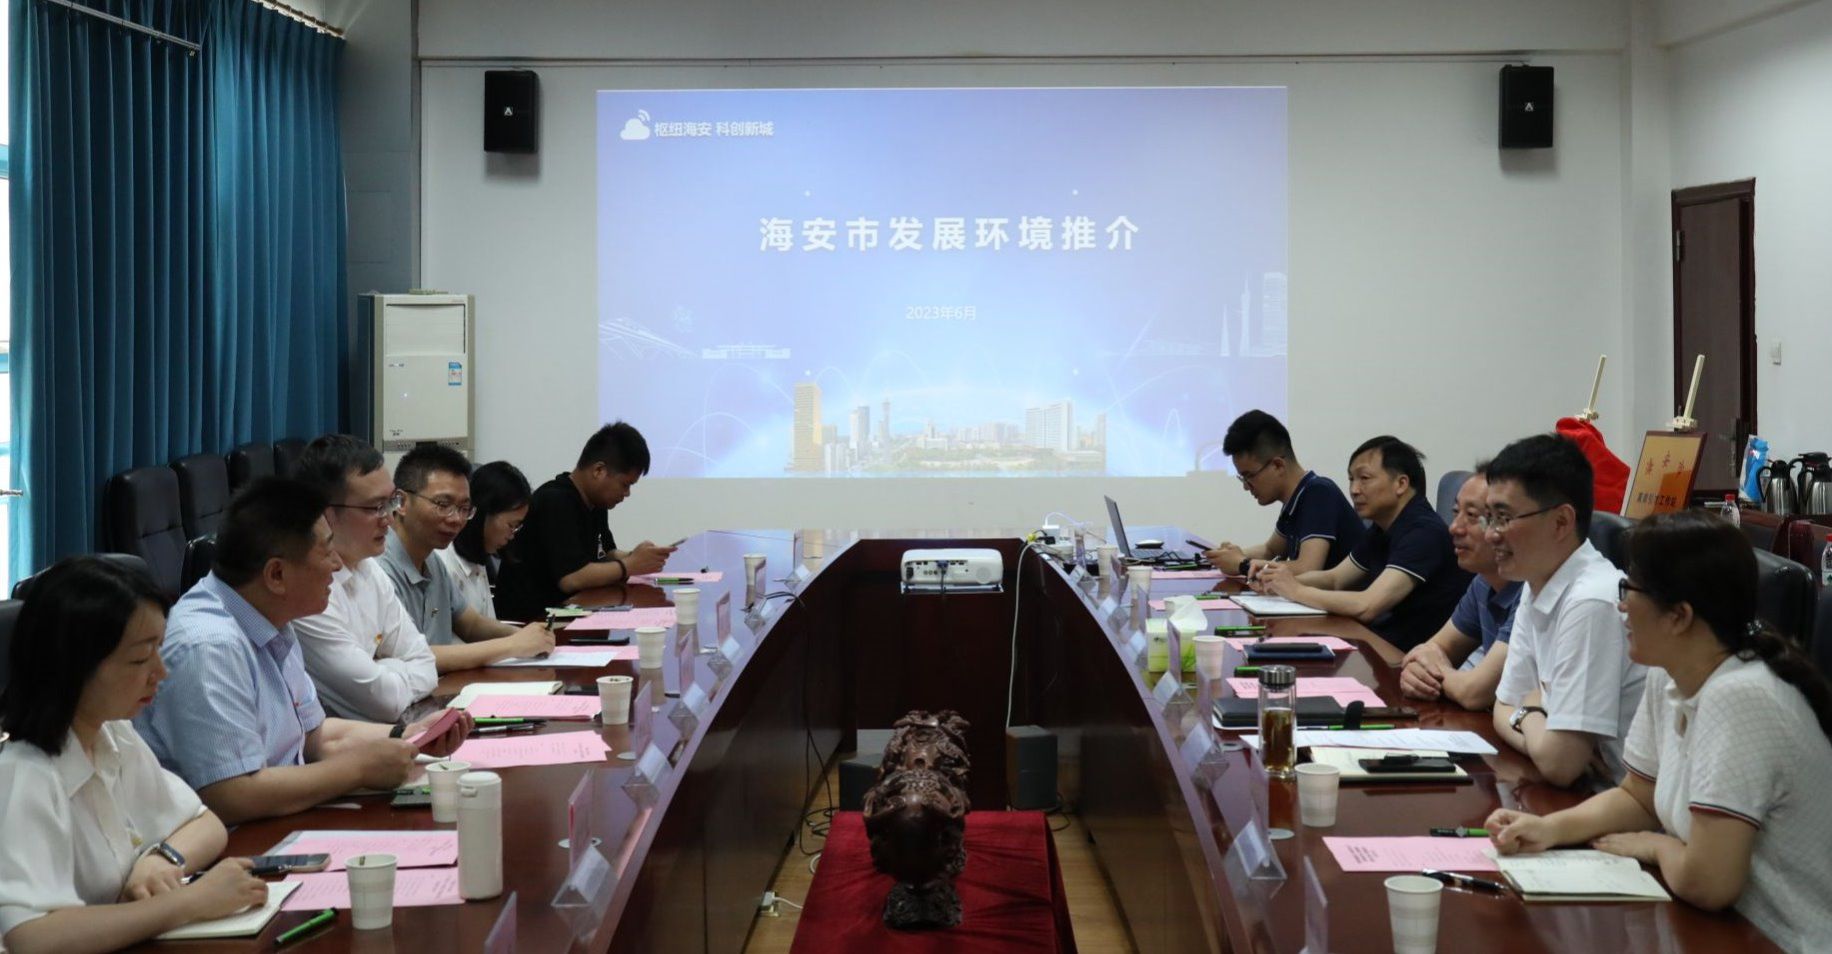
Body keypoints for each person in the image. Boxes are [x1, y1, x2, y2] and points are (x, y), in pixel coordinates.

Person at [1487, 512, 1832, 952]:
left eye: (1629, 591)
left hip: (1779, 939)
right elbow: (1638, 796)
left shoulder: (1741, 696)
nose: (1621, 606)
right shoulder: (1668, 673)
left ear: (1679, 616)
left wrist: (1656, 847)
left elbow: (1709, 883)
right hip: (1713, 926)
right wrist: (1549, 829)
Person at [135, 477, 470, 825]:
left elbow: (313, 735)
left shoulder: (271, 615)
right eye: (327, 550)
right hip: (230, 841)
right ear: (277, 574)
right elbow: (232, 794)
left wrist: (408, 736)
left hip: (279, 821)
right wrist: (357, 770)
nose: (337, 564)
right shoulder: (209, 647)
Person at [0, 558, 268, 953]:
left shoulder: (113, 734)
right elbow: (32, 937)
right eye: (141, 659)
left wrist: (162, 859)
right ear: (74, 666)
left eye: (159, 649)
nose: (161, 672)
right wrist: (189, 903)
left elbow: (205, 822)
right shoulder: (25, 775)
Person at [1487, 433, 1644, 788]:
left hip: (1626, 804)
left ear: (1561, 522)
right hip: (1588, 795)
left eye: (1503, 517)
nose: (1491, 534)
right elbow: (1501, 709)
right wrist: (1535, 718)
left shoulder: (1593, 601)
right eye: (1489, 517)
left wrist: (1530, 710)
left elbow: (1560, 764)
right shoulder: (1537, 581)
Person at [1255, 436, 1471, 652]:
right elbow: (1335, 579)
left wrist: (1296, 591)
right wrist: (1278, 581)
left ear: (1401, 484)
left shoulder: (1423, 532)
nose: (1354, 489)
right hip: (1382, 643)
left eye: (1364, 478)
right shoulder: (1382, 528)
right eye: (1351, 479)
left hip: (1409, 657)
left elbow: (1367, 606)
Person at [288, 435, 440, 721]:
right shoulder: (306, 592)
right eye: (375, 507)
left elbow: (426, 664)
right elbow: (384, 702)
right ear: (325, 514)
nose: (389, 518)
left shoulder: (368, 567)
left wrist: (383, 670)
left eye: (392, 502)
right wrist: (392, 667)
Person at [378, 446, 555, 669]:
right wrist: (512, 645)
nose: (456, 519)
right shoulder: (380, 568)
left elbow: (470, 624)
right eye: (443, 505)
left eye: (464, 508)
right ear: (402, 502)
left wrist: (523, 634)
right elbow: (411, 657)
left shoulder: (432, 560)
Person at [495, 422, 677, 622]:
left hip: (571, 611)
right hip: (532, 620)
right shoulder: (556, 501)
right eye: (625, 484)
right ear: (599, 470)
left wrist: (640, 556)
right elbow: (572, 578)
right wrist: (630, 565)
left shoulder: (596, 503)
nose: (627, 494)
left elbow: (606, 554)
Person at [1399, 464, 1522, 709]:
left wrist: (1434, 674)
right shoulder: (1483, 581)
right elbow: (1434, 649)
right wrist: (1417, 671)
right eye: (1456, 512)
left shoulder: (1530, 590)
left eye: (1473, 516)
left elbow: (1475, 693)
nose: (1454, 527)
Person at [1205, 410, 1363, 577]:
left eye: (1249, 476)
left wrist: (1242, 564)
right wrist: (1230, 556)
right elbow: (1270, 550)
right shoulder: (1296, 498)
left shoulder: (1319, 493)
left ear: (1278, 465)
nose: (1246, 486)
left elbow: (1308, 569)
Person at [435, 460, 532, 622]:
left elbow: (487, 625)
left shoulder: (478, 557)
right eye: (511, 525)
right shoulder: (443, 564)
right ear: (483, 513)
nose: (512, 535)